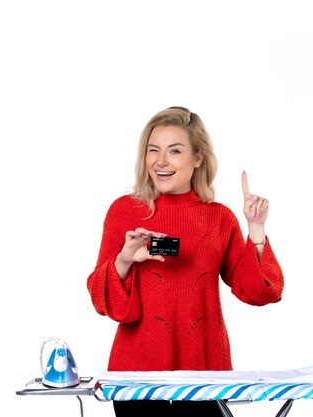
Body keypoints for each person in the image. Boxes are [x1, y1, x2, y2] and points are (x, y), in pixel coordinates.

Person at [86, 106, 284, 417]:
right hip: (137, 381)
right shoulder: (124, 212)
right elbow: (104, 303)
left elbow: (259, 292)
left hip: (204, 377)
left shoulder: (219, 218)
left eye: (174, 151)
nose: (160, 162)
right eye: (153, 150)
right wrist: (125, 259)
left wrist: (255, 229)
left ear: (198, 157)